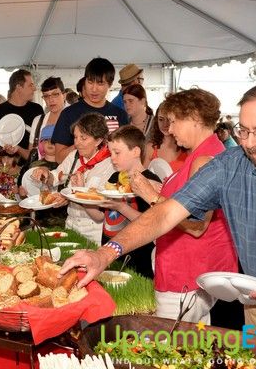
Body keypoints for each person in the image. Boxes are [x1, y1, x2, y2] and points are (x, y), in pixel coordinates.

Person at [62, 81, 256, 364]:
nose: (250, 143)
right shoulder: (229, 165)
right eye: (244, 131)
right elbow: (167, 213)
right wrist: (105, 254)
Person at [130, 88, 238, 323]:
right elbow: (184, 201)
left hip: (185, 271)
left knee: (172, 346)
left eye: (174, 122)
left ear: (195, 119)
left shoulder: (204, 160)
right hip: (190, 270)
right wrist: (158, 189)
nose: (169, 130)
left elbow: (197, 225)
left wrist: (150, 196)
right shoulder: (203, 153)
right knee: (193, 342)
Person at [84, 125, 161, 278]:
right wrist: (82, 198)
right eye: (110, 152)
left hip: (138, 258)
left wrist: (121, 207)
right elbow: (99, 217)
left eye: (117, 152)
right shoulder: (114, 178)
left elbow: (153, 223)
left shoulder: (149, 182)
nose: (112, 157)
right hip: (110, 253)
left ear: (136, 151)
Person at [31, 113, 115, 245]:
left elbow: (102, 205)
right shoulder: (74, 156)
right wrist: (45, 173)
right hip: (71, 225)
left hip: (95, 231)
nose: (77, 143)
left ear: (98, 140)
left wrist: (77, 193)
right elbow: (56, 176)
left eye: (83, 138)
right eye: (75, 137)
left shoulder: (111, 164)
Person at [51, 58, 129, 163]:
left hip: (112, 176)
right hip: (79, 176)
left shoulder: (120, 114)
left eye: (100, 84)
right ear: (85, 81)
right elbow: (59, 158)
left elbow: (128, 153)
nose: (94, 89)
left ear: (110, 85)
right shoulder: (69, 113)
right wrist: (82, 143)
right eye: (90, 82)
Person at [0, 69, 44, 163]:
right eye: (30, 85)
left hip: (32, 169)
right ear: (19, 87)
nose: (35, 88)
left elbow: (42, 143)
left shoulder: (37, 110)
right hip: (6, 168)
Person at [143, 101, 188, 172]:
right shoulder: (150, 148)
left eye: (169, 120)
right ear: (156, 121)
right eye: (161, 119)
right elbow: (144, 178)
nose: (165, 124)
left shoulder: (187, 146)